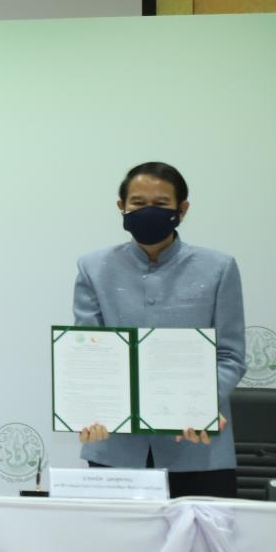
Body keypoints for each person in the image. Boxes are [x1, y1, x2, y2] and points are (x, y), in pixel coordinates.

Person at [73, 162, 245, 497]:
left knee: (203, 548)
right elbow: (88, 354)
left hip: (198, 449)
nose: (148, 211)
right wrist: (87, 411)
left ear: (182, 210)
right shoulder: (93, 268)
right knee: (114, 548)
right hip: (115, 449)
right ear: (121, 206)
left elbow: (230, 356)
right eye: (137, 202)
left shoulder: (219, 268)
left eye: (161, 204)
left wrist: (200, 404)